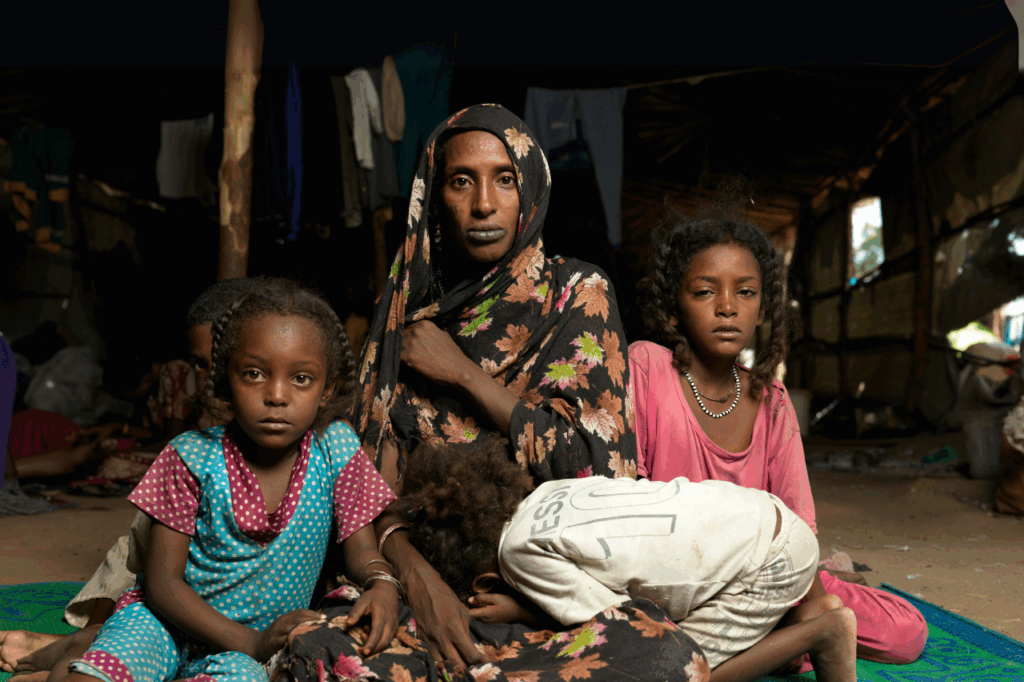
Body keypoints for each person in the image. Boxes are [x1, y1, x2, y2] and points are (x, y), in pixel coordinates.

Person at [280, 104, 640, 680]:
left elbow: (597, 474)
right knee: (322, 656)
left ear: (531, 190)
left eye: (504, 179)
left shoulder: (578, 295)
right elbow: (366, 484)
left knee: (662, 653)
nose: (483, 204)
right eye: (460, 181)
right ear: (434, 195)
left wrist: (464, 375)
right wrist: (415, 584)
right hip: (413, 570)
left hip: (545, 586)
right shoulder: (405, 306)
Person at [628, 208, 928, 672]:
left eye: (745, 293)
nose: (726, 306)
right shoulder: (647, 369)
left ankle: (806, 615)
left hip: (766, 584)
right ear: (673, 307)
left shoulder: (772, 401)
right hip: (672, 584)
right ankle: (797, 636)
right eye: (704, 291)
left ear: (763, 308)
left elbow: (797, 528)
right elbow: (629, 511)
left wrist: (795, 588)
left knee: (906, 632)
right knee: (647, 645)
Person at [395, 436, 858, 682]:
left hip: (770, 561)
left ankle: (825, 632)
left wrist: (523, 609)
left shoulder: (517, 553)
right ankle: (801, 618)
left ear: (480, 582)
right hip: (762, 512)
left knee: (675, 668)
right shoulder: (546, 492)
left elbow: (620, 623)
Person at [1, 279, 262, 679]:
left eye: (228, 364)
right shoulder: (193, 452)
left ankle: (88, 641)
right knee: (140, 536)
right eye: (202, 363)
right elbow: (157, 575)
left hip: (234, 608)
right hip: (183, 597)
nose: (211, 379)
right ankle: (95, 637)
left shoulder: (323, 452)